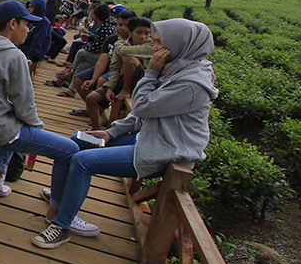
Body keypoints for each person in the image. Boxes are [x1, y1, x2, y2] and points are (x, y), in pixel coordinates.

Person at [32, 18, 219, 249]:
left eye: (160, 43)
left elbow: (142, 107)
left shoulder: (191, 84)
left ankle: (62, 225)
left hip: (164, 150)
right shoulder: (177, 68)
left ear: (182, 45)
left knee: (82, 161)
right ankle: (61, 201)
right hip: (146, 137)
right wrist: (111, 132)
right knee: (76, 141)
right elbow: (143, 115)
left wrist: (150, 74)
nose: (155, 48)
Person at [0, 1, 92, 236]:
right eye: (26, 25)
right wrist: (38, 128)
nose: (29, 30)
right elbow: (25, 104)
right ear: (13, 24)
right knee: (69, 150)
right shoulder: (13, 56)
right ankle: (59, 213)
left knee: (17, 120)